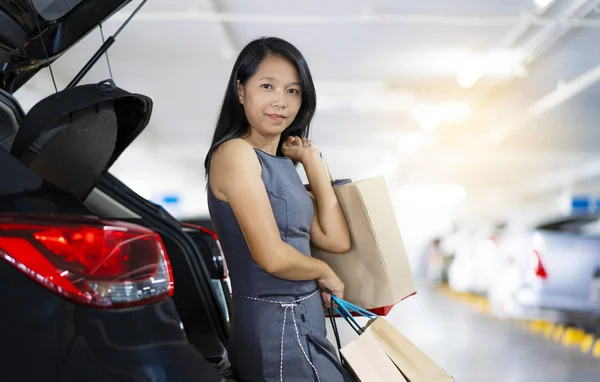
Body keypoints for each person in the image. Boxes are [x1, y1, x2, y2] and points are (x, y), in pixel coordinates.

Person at [204, 37, 352, 382]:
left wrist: (313, 164)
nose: (280, 102)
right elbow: (271, 256)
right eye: (267, 86)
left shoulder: (281, 165)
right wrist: (324, 272)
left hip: (303, 321)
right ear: (241, 91)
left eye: (292, 91)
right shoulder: (235, 154)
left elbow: (336, 239)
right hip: (275, 327)